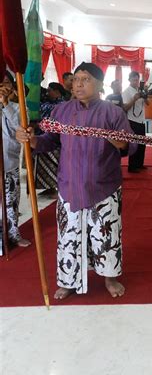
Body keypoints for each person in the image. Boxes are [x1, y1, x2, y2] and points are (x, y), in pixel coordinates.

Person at [16, 62, 137, 300]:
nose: (79, 84)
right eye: (76, 79)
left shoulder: (113, 113)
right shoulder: (61, 112)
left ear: (100, 84)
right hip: (69, 185)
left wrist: (116, 140)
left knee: (106, 235)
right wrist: (30, 140)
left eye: (86, 79)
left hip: (104, 185)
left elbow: (129, 146)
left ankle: (110, 277)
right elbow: (49, 141)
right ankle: (69, 280)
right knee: (69, 236)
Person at [0, 71, 31, 255]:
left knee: (10, 201)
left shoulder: (19, 108)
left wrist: (5, 104)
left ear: (12, 86)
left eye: (5, 83)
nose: (3, 87)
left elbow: (18, 126)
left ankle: (13, 234)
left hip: (8, 163)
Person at [35, 82, 67, 196]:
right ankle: (48, 188)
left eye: (50, 91)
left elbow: (46, 113)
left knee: (55, 164)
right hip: (43, 137)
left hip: (56, 140)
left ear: (57, 92)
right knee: (44, 165)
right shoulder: (48, 103)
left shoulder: (63, 105)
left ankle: (55, 188)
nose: (47, 93)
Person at [122, 71, 149, 173]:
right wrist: (134, 99)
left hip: (141, 120)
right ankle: (132, 166)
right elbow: (125, 107)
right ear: (129, 80)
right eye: (134, 80)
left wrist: (145, 96)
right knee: (134, 144)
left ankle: (140, 164)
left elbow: (148, 104)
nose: (136, 81)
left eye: (137, 80)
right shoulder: (126, 92)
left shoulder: (140, 90)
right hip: (132, 121)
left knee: (142, 144)